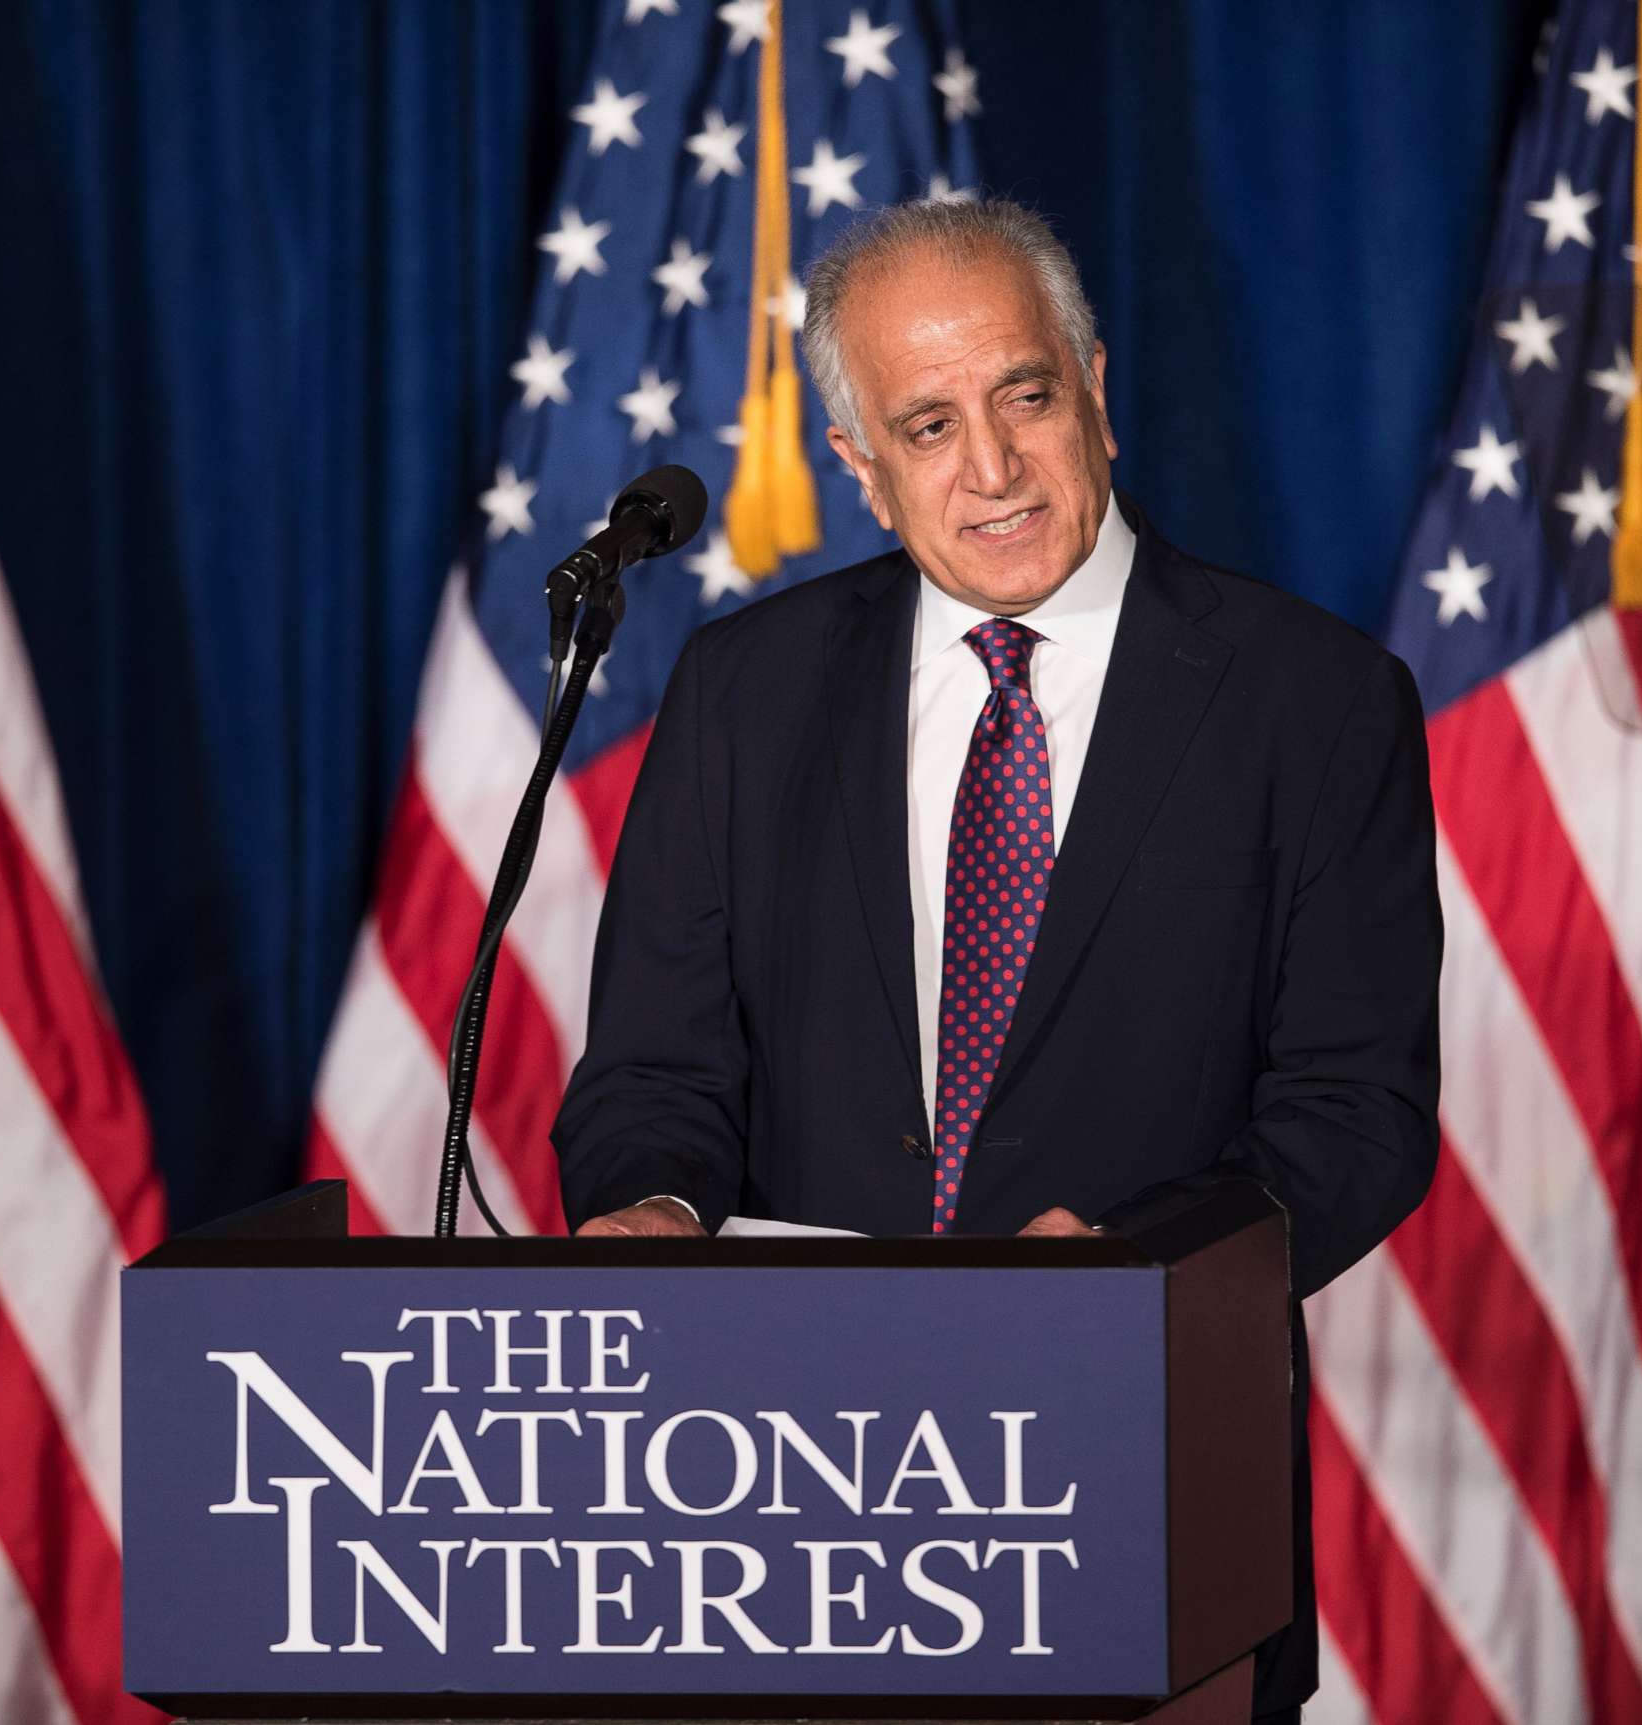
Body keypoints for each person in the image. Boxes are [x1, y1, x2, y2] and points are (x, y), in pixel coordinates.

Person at [552, 196, 1439, 1720]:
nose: (994, 466)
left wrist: (1133, 1259)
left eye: (1024, 395)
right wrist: (654, 1199)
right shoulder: (741, 693)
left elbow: (1359, 1113)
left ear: (1093, 383)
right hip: (778, 1507)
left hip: (1145, 1480)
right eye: (929, 421)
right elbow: (655, 1063)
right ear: (861, 464)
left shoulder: (1318, 701)